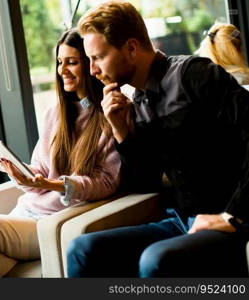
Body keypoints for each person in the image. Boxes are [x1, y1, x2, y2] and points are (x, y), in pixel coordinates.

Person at [66, 0, 249, 277]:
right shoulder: (137, 100)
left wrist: (233, 216)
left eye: (98, 57)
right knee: (82, 249)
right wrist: (120, 131)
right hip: (181, 221)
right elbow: (144, 181)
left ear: (130, 47)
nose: (92, 70)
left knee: (155, 260)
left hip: (228, 219)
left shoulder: (195, 76)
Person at [0, 29, 121, 278]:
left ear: (91, 65)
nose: (62, 70)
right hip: (25, 213)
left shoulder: (109, 117)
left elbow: (106, 182)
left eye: (72, 62)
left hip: (53, 223)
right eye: (59, 62)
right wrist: (12, 168)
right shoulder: (54, 113)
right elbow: (39, 173)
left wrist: (54, 184)